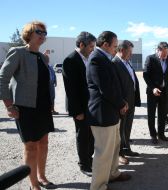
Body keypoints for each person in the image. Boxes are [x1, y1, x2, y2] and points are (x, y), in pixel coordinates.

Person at [0, 21, 56, 190]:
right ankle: (33, 184)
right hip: (25, 108)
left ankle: (42, 176)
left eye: (44, 33)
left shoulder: (42, 57)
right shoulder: (18, 53)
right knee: (31, 146)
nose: (42, 35)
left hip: (43, 107)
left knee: (44, 143)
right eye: (39, 32)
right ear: (29, 33)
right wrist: (9, 106)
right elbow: (3, 79)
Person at [87, 31, 131, 190]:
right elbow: (105, 88)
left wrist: (122, 102)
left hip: (111, 112)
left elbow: (114, 86)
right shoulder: (96, 59)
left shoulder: (106, 58)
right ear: (105, 44)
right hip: (102, 114)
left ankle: (113, 173)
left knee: (113, 147)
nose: (116, 48)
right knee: (103, 153)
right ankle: (98, 186)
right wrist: (121, 103)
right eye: (114, 45)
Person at [62, 31, 96, 176]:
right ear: (81, 44)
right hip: (80, 108)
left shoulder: (88, 58)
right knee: (83, 136)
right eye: (90, 47)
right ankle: (84, 164)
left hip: (91, 105)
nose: (93, 50)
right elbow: (71, 89)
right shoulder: (71, 60)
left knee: (91, 135)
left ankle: (89, 159)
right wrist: (77, 111)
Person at [112, 40, 141, 165]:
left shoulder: (126, 62)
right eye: (129, 52)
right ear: (122, 50)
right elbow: (115, 85)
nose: (131, 54)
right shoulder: (115, 63)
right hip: (123, 102)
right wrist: (121, 102)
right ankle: (119, 154)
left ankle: (126, 148)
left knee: (127, 126)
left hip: (131, 100)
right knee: (120, 129)